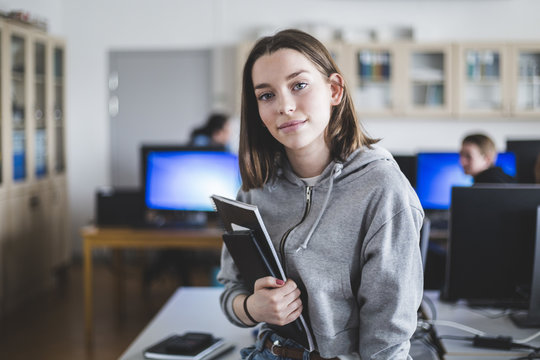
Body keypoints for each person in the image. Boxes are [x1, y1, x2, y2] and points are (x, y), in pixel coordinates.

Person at [217, 29, 424, 360]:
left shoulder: (382, 188)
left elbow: (388, 336)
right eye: (266, 95)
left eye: (298, 85)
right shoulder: (255, 188)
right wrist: (254, 307)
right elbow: (231, 292)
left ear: (334, 90)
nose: (284, 106)